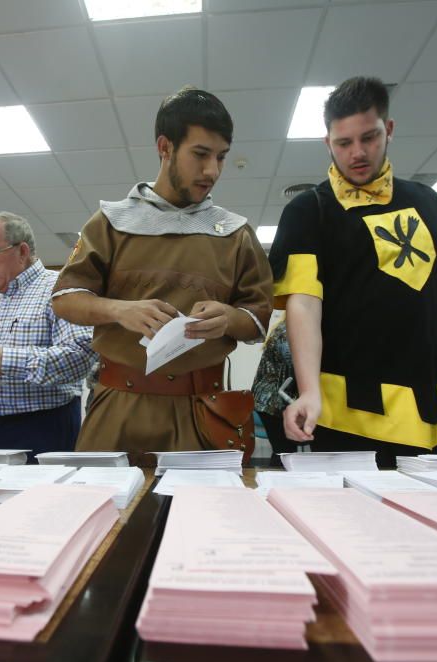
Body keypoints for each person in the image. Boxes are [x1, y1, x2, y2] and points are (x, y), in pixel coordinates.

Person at [268, 76, 437, 469]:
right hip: (353, 412)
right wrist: (309, 391)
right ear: (327, 143)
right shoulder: (309, 211)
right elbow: (304, 303)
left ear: (389, 130)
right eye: (344, 143)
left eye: (370, 137)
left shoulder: (428, 200)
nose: (358, 153)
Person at [51, 87, 273, 465]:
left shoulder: (235, 234)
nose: (212, 171)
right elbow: (65, 299)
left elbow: (259, 320)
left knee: (199, 520)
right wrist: (119, 310)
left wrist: (230, 319)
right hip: (116, 409)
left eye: (221, 157)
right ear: (165, 147)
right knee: (108, 517)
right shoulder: (110, 223)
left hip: (203, 413)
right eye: (200, 155)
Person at [0, 212, 95, 455]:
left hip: (48, 427)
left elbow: (80, 358)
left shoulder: (62, 289)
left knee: (43, 495)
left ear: (22, 251)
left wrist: (5, 360)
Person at [251, 316, 296, 464]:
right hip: (272, 400)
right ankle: (277, 484)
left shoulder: (287, 325)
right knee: (284, 453)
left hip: (274, 398)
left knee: (284, 452)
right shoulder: (289, 329)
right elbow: (292, 364)